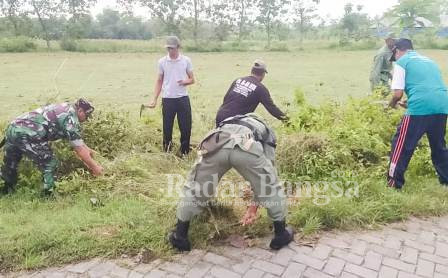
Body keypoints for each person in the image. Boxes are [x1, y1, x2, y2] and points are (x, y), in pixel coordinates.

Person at [169, 114, 293, 252]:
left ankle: (180, 236)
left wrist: (252, 208)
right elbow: (266, 179)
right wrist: (254, 205)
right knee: (270, 187)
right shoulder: (266, 130)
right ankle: (281, 234)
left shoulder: (227, 121)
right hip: (246, 146)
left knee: (195, 189)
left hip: (218, 143)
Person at [0, 99, 104, 196]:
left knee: (11, 162)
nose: (86, 119)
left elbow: (79, 143)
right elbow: (79, 149)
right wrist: (95, 168)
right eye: (86, 116)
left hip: (13, 128)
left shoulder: (66, 107)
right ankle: (48, 194)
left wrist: (89, 151)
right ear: (80, 110)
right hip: (28, 133)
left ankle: (6, 190)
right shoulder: (70, 119)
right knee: (50, 162)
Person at [387, 38, 448, 189]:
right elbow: (428, 87)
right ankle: (446, 180)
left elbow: (397, 94)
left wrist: (391, 105)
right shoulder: (429, 61)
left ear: (397, 50)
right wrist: (411, 101)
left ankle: (394, 183)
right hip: (442, 104)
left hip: (420, 107)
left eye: (394, 56)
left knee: (401, 145)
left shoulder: (401, 63)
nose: (394, 59)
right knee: (439, 146)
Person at [148, 36, 195, 155]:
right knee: (167, 127)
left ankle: (184, 151)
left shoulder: (186, 60)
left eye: (172, 48)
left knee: (185, 126)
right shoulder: (162, 62)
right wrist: (154, 99)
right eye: (168, 48)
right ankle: (167, 151)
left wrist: (185, 82)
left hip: (182, 98)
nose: (170, 51)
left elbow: (192, 79)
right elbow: (159, 81)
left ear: (178, 47)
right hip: (168, 99)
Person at [215, 59, 287, 126]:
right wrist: (288, 121)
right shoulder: (261, 88)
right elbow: (272, 109)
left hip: (220, 116)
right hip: (236, 122)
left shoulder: (238, 80)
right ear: (263, 74)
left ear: (252, 71)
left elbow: (225, 98)